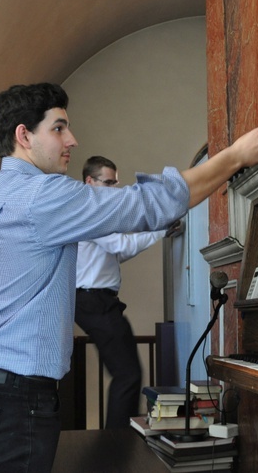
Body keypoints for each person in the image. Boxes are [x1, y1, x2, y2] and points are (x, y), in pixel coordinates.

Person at [0, 82, 258, 472]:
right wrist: (235, 156)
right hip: (13, 398)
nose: (72, 139)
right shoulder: (44, 196)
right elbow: (149, 203)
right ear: (23, 135)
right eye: (59, 128)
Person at [76, 156, 181, 429]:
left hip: (96, 299)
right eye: (109, 182)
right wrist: (160, 231)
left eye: (116, 182)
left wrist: (157, 231)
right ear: (90, 181)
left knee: (128, 374)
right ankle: (117, 446)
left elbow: (115, 254)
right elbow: (120, 245)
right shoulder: (90, 210)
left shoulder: (95, 213)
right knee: (128, 374)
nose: (115, 188)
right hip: (93, 300)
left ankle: (117, 443)